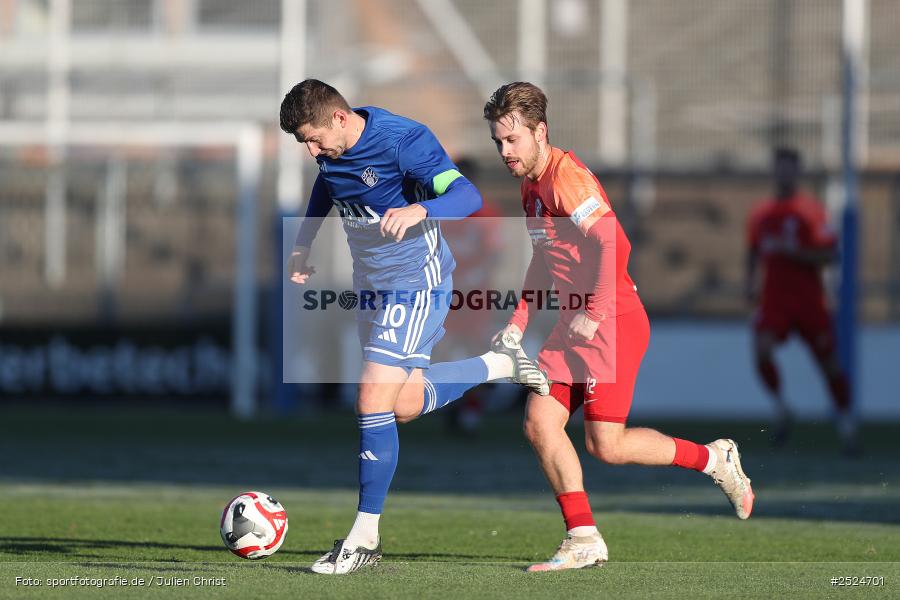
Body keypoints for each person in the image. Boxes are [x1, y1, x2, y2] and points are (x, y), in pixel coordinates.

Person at [280, 79, 549, 575]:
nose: (312, 150)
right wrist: (305, 241)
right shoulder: (329, 147)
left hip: (415, 282)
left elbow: (465, 195)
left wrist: (420, 207)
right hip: (373, 286)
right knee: (400, 405)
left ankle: (364, 537)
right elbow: (327, 183)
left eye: (314, 139)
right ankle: (498, 363)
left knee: (369, 399)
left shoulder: (405, 141)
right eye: (305, 144)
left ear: (339, 117)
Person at [483, 82, 754, 572]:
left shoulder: (568, 180)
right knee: (539, 424)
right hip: (574, 324)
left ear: (540, 131)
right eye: (498, 142)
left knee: (606, 445)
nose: (505, 151)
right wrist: (518, 322)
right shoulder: (530, 184)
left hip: (612, 323)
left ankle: (714, 459)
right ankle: (583, 538)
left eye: (513, 140)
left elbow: (617, 245)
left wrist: (595, 311)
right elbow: (545, 260)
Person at [746, 147, 857, 453]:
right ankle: (783, 410)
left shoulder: (811, 211)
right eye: (779, 168)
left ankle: (847, 427)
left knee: (830, 366)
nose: (784, 174)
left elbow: (830, 254)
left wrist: (796, 253)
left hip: (809, 302)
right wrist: (750, 282)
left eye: (789, 168)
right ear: (774, 171)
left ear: (797, 172)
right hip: (774, 300)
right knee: (761, 349)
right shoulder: (761, 214)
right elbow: (753, 250)